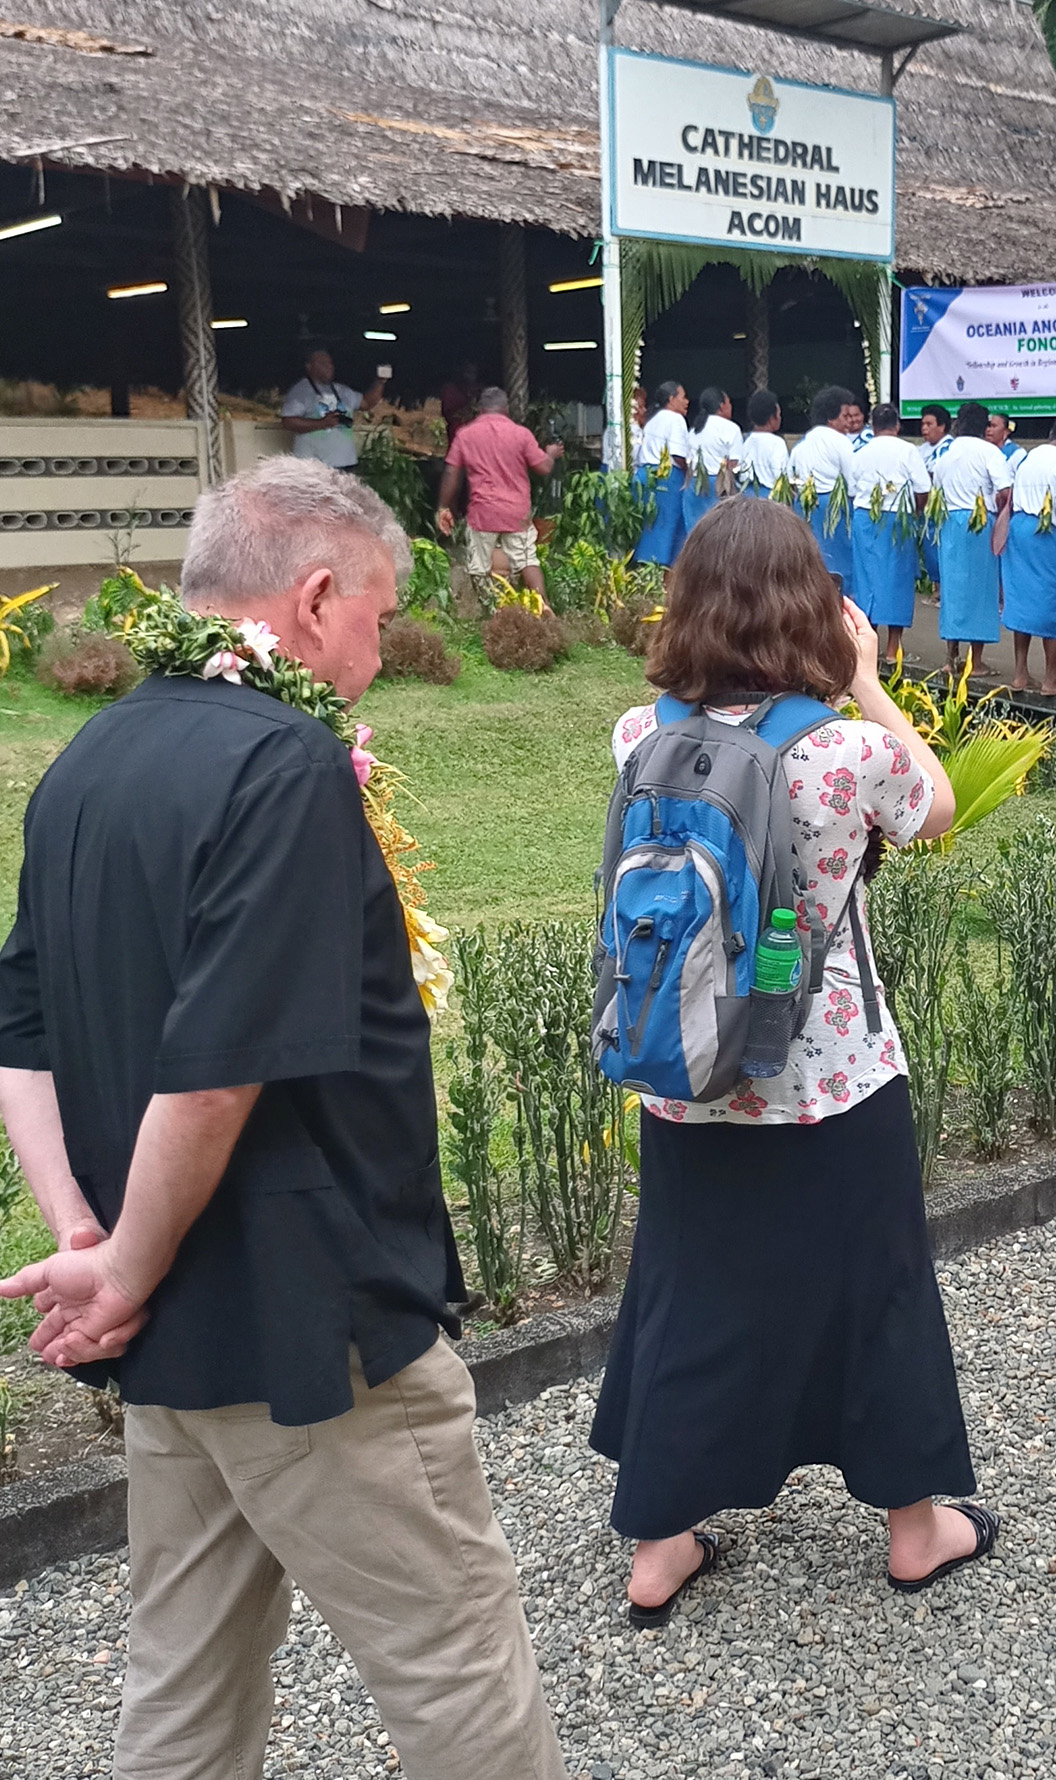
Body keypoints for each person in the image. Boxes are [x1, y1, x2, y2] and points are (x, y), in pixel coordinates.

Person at [0, 457, 737, 1780]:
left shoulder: (83, 768)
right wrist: (120, 1258)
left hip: (172, 1327)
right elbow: (223, 1058)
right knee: (451, 1628)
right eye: (382, 616)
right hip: (305, 1311)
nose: (382, 650)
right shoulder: (283, 767)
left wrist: (89, 1233)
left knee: (182, 1676)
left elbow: (23, 1031)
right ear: (315, 597)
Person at [590, 496, 997, 1630]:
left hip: (686, 1064)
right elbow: (940, 812)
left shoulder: (638, 734)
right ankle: (917, 1530)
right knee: (879, 1292)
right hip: (832, 1079)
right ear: (813, 605)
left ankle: (661, 1542)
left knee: (689, 1290)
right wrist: (866, 676)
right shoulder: (848, 750)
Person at [437, 386, 562, 609]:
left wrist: (444, 507)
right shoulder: (520, 434)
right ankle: (543, 608)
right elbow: (543, 467)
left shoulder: (465, 435)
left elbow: (451, 472)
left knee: (479, 568)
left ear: (480, 409)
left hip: (482, 514)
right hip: (517, 513)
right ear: (506, 409)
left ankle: (492, 610)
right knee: (527, 561)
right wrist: (551, 454)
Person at [931, 401, 1013, 675]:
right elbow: (1004, 490)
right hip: (978, 523)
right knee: (980, 589)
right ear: (983, 426)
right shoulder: (989, 451)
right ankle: (975, 662)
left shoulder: (945, 450)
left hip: (949, 521)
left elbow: (936, 485)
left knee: (953, 588)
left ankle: (950, 657)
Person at [849, 402, 931, 665]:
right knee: (897, 577)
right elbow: (923, 488)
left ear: (872, 426)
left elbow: (852, 488)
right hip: (898, 517)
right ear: (897, 425)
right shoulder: (908, 450)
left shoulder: (860, 451)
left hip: (865, 517)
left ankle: (869, 641)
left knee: (867, 577)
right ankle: (893, 647)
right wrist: (915, 512)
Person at [1002, 424, 1056, 695]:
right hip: (1046, 531)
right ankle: (1051, 680)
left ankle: (1020, 674)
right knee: (1051, 602)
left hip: (1019, 528)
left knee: (1022, 600)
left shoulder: (1029, 457)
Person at [789, 385, 857, 591]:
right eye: (845, 416)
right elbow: (852, 482)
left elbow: (791, 478)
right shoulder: (841, 442)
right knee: (839, 560)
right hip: (834, 507)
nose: (849, 422)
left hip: (804, 505)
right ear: (831, 418)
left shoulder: (801, 444)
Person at [281, 346, 386, 469]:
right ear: (309, 366)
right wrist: (322, 423)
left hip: (346, 463)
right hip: (313, 466)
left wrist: (380, 382)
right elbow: (288, 421)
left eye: (330, 363)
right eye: (323, 363)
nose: (329, 366)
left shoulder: (341, 390)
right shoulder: (301, 391)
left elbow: (367, 403)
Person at [633, 377, 690, 568]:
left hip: (644, 474)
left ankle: (644, 568)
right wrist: (690, 473)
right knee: (667, 524)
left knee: (649, 525)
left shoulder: (652, 420)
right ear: (672, 399)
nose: (686, 401)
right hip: (666, 477)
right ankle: (662, 569)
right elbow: (678, 454)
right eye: (683, 396)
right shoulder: (676, 419)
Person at [683, 387, 743, 532]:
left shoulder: (694, 430)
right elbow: (734, 464)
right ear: (722, 406)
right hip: (719, 487)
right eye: (729, 403)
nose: (730, 407)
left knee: (694, 534)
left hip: (694, 487)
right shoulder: (731, 428)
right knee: (719, 534)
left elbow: (688, 460)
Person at [918, 404, 953, 590]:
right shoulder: (921, 449)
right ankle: (937, 588)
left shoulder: (948, 447)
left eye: (929, 424)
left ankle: (944, 590)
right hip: (925, 507)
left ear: (942, 426)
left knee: (940, 548)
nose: (924, 428)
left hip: (941, 507)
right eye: (923, 424)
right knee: (929, 549)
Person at [738, 389, 790, 500]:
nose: (780, 418)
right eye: (779, 414)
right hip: (769, 499)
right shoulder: (777, 443)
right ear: (771, 419)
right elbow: (781, 476)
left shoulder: (747, 441)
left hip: (746, 497)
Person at [440, 358, 480, 447]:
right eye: (468, 372)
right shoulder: (450, 390)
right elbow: (449, 414)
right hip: (458, 431)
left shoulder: (478, 390)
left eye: (473, 373)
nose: (470, 376)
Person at [987, 411, 1026, 479]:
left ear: (1006, 431)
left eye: (993, 426)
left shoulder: (1017, 454)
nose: (988, 430)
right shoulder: (982, 451)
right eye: (987, 426)